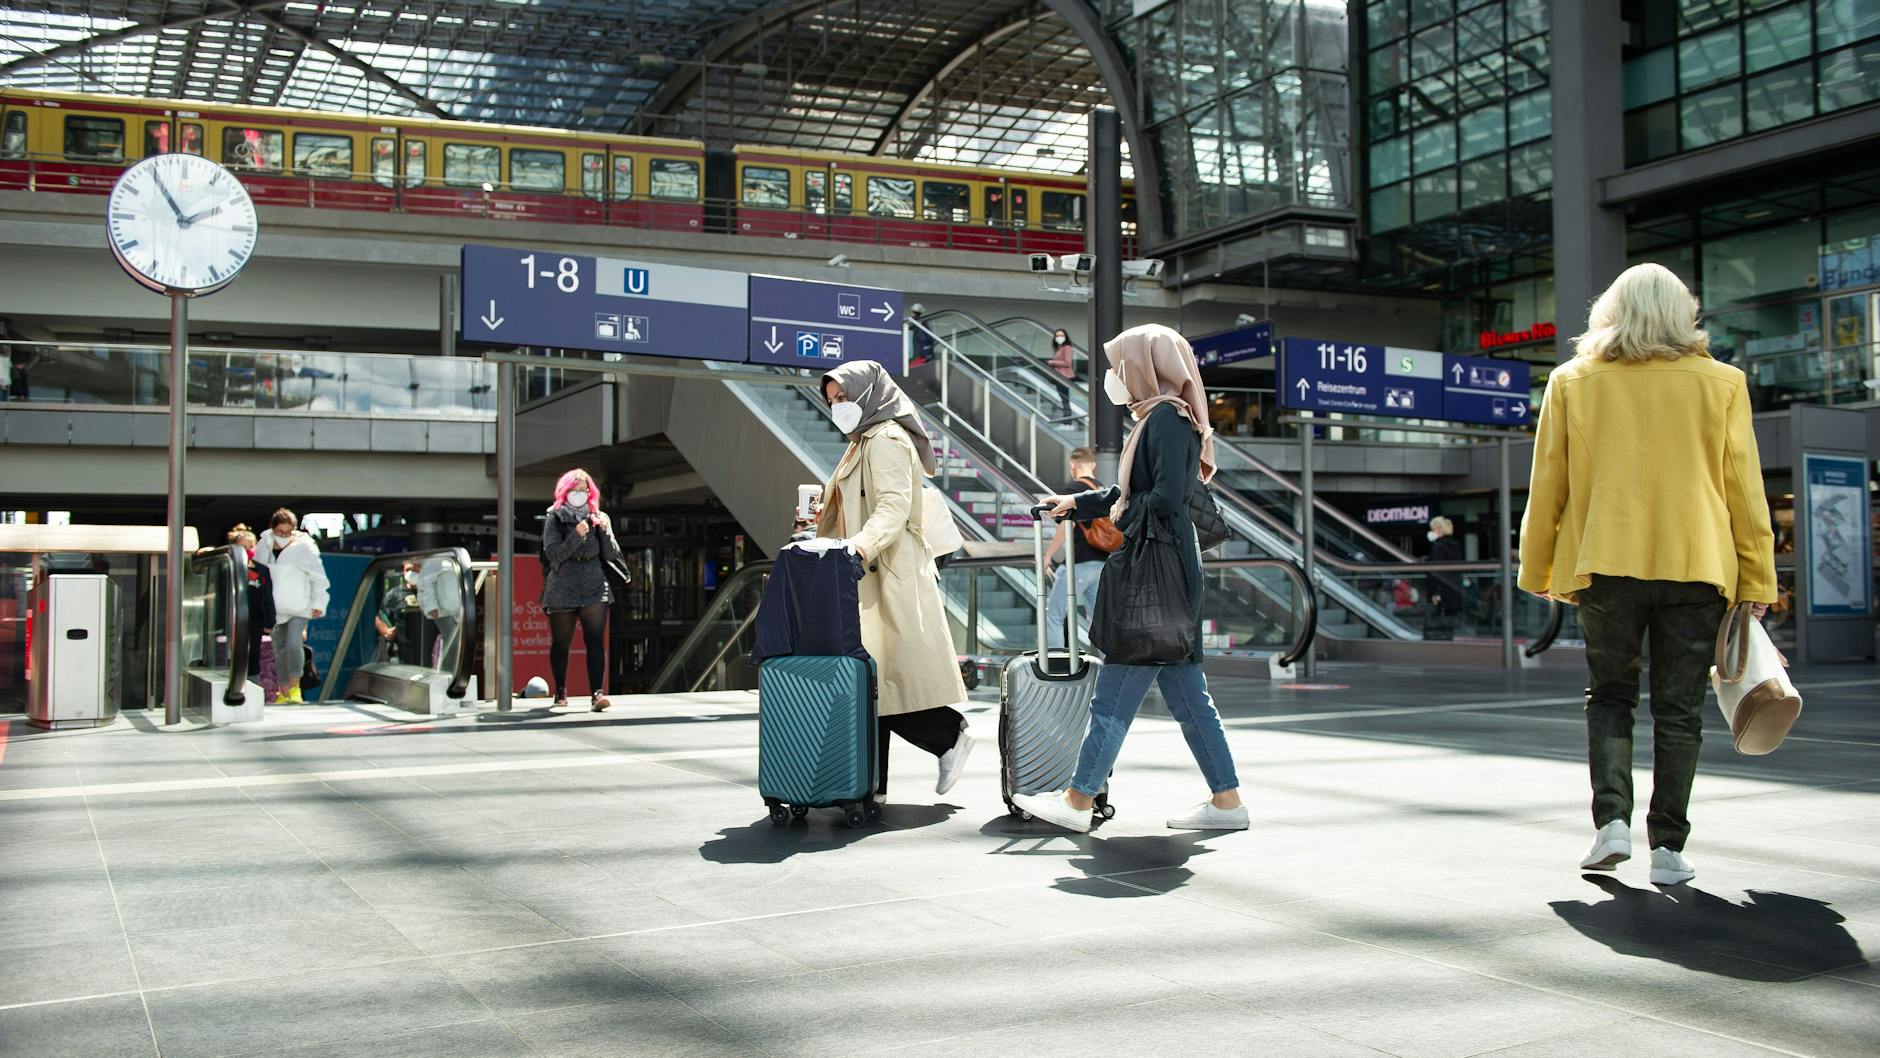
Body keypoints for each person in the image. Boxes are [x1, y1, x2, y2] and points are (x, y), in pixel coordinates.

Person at [1519, 263, 1776, 887]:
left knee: (1609, 695)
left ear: (1610, 309)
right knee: (1680, 708)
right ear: (1682, 311)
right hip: (1697, 566)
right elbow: (1744, 490)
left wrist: (1540, 568)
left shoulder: (1572, 381)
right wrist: (1757, 581)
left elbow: (1548, 483)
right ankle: (1668, 847)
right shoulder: (1722, 383)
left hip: (1606, 564)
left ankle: (1610, 825)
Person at [1011, 324, 1247, 833]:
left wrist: (1115, 514)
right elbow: (1134, 493)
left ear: (1144, 366)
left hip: (1154, 572)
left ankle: (1076, 801)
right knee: (1188, 697)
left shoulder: (1164, 419)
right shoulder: (1161, 418)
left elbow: (1164, 496)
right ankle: (1227, 802)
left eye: (1120, 366)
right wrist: (1077, 503)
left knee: (1114, 690)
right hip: (1171, 565)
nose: (1114, 378)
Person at [814, 359, 976, 797]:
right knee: (872, 681)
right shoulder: (861, 440)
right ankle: (872, 783)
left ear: (869, 394)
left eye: (845, 398)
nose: (839, 408)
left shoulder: (885, 438)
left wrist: (858, 546)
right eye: (833, 401)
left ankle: (948, 735)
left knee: (878, 681)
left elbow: (892, 508)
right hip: (867, 574)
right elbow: (861, 505)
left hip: (883, 573)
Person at [541, 468, 630, 711]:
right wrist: (576, 536)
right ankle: (560, 690)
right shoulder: (555, 517)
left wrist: (604, 531)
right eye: (574, 490)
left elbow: (611, 554)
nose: (579, 494)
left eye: (583, 490)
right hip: (562, 585)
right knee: (561, 642)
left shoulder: (599, 516)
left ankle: (597, 693)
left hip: (594, 583)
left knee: (594, 639)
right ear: (565, 492)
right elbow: (553, 555)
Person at [254, 508, 329, 704]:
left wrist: (318, 602)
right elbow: (259, 577)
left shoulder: (305, 548)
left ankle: (296, 688)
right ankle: (284, 690)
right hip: (275, 608)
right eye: (280, 532)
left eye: (288, 532)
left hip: (299, 605)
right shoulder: (263, 545)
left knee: (294, 643)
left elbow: (319, 577)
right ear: (273, 529)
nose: (284, 536)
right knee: (279, 649)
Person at [1041, 446, 1108, 651]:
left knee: (1053, 616)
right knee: (1100, 621)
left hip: (1078, 563)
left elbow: (1066, 525)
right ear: (1093, 466)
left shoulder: (1073, 490)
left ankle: (1055, 667)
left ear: (1072, 466)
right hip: (1102, 564)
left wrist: (1048, 555)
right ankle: (1110, 666)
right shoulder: (1102, 489)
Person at [227, 525, 274, 683]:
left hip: (255, 620)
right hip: (232, 619)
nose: (248, 549)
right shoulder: (228, 567)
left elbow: (267, 596)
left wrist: (270, 620)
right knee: (232, 653)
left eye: (251, 546)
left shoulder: (262, 570)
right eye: (243, 546)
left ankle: (253, 683)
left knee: (253, 653)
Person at [417, 552, 465, 670]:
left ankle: (451, 673)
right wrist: (431, 607)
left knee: (457, 644)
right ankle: (447, 674)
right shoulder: (435, 561)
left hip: (458, 610)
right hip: (442, 610)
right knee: (452, 643)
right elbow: (425, 584)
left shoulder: (456, 558)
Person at [1425, 515, 1466, 626]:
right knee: (1450, 623)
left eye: (1432, 529)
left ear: (1438, 530)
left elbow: (1437, 571)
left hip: (1441, 592)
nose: (1430, 532)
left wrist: (1435, 593)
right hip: (1454, 590)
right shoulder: (1455, 545)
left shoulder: (1438, 547)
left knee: (1439, 625)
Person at [1045, 329, 1077, 416]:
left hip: (1065, 377)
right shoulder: (1059, 348)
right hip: (1059, 376)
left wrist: (1051, 362)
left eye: (1062, 335)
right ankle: (1066, 421)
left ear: (1065, 337)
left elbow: (1067, 362)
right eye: (1057, 336)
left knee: (1065, 399)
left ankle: (1067, 422)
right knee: (1063, 399)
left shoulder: (1067, 347)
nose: (1059, 337)